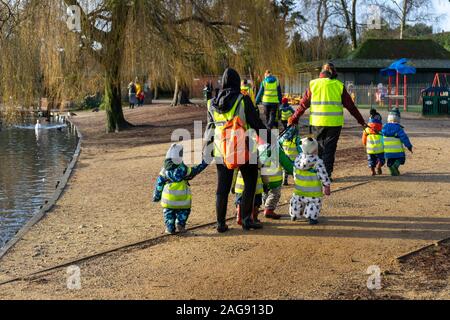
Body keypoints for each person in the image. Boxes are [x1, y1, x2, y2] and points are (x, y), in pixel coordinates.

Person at [206, 68, 271, 233]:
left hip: (221, 149)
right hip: (244, 147)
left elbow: (209, 129)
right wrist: (271, 140)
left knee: (222, 187)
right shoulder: (243, 100)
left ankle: (221, 224)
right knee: (250, 181)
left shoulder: (211, 103)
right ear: (236, 82)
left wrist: (208, 151)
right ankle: (246, 219)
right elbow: (257, 124)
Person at [288, 63, 367, 179]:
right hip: (334, 123)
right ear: (333, 73)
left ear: (321, 73)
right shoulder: (339, 85)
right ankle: (327, 174)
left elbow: (303, 105)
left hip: (317, 122)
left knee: (318, 148)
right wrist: (361, 121)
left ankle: (319, 173)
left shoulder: (313, 84)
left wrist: (294, 118)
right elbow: (351, 107)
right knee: (330, 149)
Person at [153, 144, 208, 234]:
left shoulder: (164, 171)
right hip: (183, 200)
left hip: (168, 201)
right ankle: (180, 225)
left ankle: (170, 228)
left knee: (168, 214)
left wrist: (156, 196)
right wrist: (205, 161)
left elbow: (159, 185)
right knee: (184, 212)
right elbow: (195, 170)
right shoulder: (183, 169)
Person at [290, 137, 331, 225]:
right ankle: (311, 217)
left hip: (299, 189)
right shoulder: (317, 162)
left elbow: (294, 171)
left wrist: (295, 179)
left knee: (296, 201)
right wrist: (326, 185)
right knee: (314, 204)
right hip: (313, 192)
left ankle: (294, 214)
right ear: (315, 150)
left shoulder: (298, 159)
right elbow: (323, 174)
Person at [382, 109, 413, 176]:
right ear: (398, 118)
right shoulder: (398, 128)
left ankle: (391, 168)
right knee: (402, 159)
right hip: (398, 151)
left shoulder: (384, 128)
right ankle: (395, 166)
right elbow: (404, 138)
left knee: (390, 160)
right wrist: (409, 146)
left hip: (387, 151)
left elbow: (381, 139)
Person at [362, 109, 385, 176]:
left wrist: (365, 144)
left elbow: (364, 139)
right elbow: (385, 138)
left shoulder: (367, 129)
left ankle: (373, 171)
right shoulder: (381, 129)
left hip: (370, 148)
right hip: (380, 148)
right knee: (381, 159)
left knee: (371, 161)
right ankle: (379, 166)